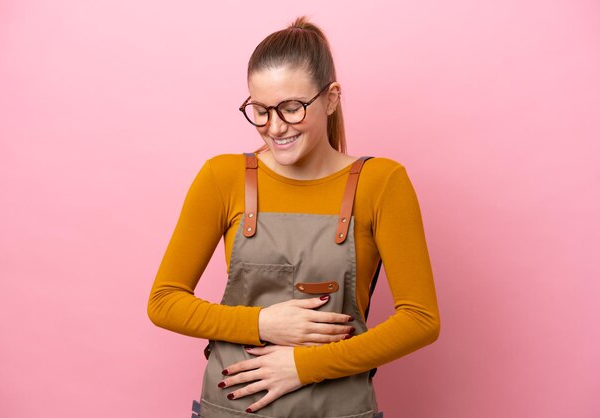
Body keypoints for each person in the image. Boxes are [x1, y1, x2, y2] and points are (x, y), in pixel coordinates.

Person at [147, 16, 440, 418]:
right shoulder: (222, 176)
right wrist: (263, 324)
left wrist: (303, 367)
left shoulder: (382, 182)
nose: (275, 127)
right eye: (260, 110)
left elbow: (421, 319)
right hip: (232, 410)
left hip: (338, 409)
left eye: (291, 108)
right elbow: (164, 302)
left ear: (332, 97)